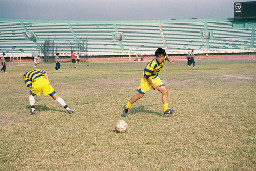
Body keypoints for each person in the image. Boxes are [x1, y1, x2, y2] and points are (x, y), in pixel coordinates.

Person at [122, 48, 175, 117]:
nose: (160, 58)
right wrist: (153, 85)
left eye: (161, 57)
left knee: (165, 91)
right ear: (156, 57)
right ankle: (126, 107)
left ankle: (166, 110)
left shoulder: (164, 58)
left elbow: (166, 56)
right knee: (140, 95)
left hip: (155, 77)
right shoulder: (151, 65)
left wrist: (169, 60)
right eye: (158, 57)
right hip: (146, 79)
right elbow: (147, 76)